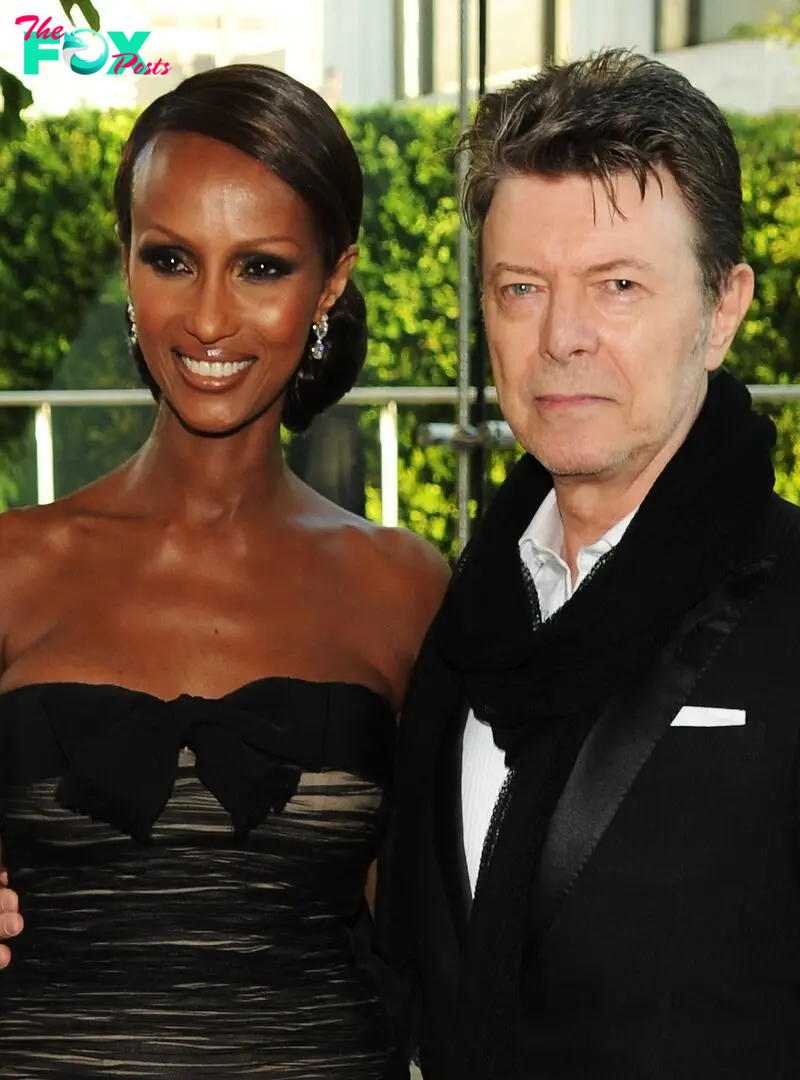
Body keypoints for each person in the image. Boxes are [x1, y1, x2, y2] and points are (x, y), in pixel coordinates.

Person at [0, 63, 448, 1077]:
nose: (206, 321)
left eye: (259, 268)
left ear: (329, 280)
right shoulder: (9, 570)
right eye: (170, 258)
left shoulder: (405, 591)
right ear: (123, 262)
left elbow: (450, 940)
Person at [390, 49, 800, 1079]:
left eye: (616, 286)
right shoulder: (462, 620)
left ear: (721, 308)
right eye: (519, 288)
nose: (559, 337)